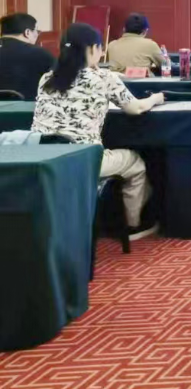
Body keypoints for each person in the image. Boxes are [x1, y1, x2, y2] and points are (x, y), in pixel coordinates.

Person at [31, 23, 164, 237]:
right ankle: (133, 225)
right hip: (83, 158)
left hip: (42, 157)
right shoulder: (104, 78)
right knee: (136, 163)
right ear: (93, 48)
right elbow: (135, 108)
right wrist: (156, 98)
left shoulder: (46, 78)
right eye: (101, 49)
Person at [0, 12, 55, 100]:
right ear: (27, 32)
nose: (37, 35)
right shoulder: (40, 54)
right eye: (37, 31)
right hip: (28, 107)